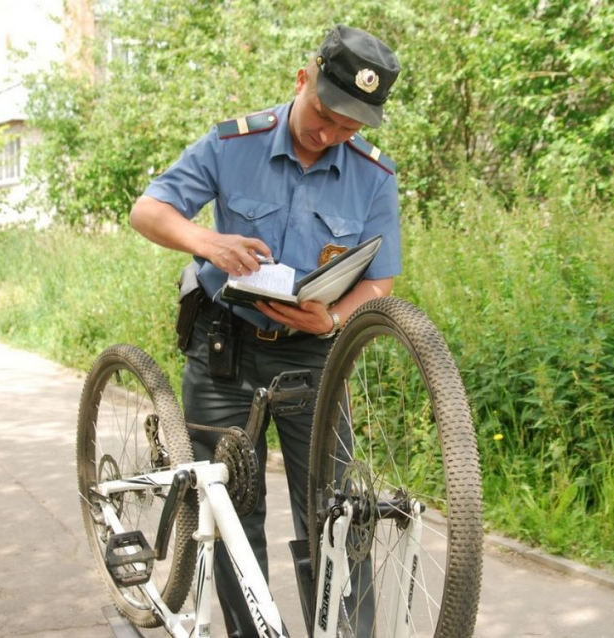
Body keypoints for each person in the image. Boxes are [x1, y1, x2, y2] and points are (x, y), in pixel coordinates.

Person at [130, 24, 401, 638]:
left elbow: (381, 281)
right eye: (324, 114)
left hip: (314, 362)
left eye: (349, 127)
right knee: (232, 513)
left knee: (336, 516)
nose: (330, 134)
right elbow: (147, 209)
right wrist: (208, 241)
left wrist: (331, 317)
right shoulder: (233, 144)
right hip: (225, 353)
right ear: (303, 79)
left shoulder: (374, 177)